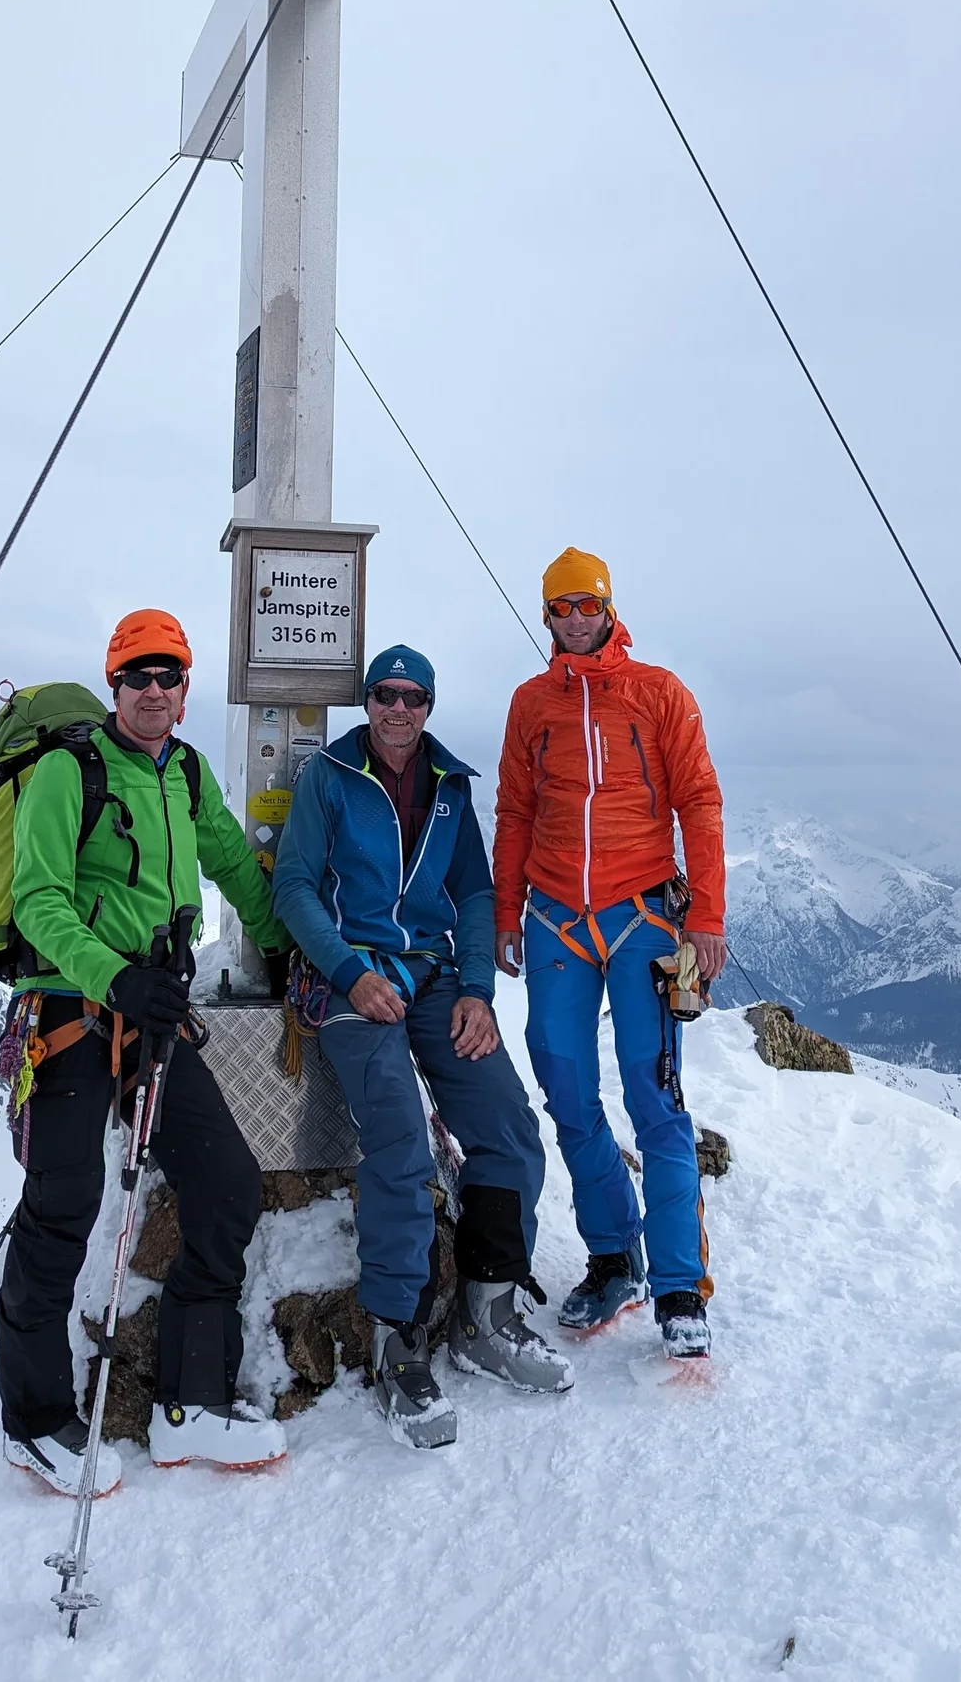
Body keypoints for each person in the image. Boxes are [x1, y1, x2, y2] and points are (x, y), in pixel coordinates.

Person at [0, 608, 291, 1491]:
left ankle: (188, 1405)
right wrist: (113, 975)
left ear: (185, 690)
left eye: (169, 676)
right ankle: (35, 1417)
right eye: (138, 675)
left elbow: (234, 865)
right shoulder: (66, 768)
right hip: (70, 1005)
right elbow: (38, 903)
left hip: (153, 1010)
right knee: (64, 1199)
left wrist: (283, 945)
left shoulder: (187, 774)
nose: (153, 690)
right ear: (114, 684)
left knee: (227, 1179)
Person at [274, 642, 570, 1449]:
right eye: (383, 695)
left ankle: (488, 1311)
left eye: (413, 697)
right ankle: (398, 1342)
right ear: (366, 702)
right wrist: (345, 969)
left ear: (429, 706)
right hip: (352, 980)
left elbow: (473, 891)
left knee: (508, 1128)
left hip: (437, 977)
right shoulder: (331, 779)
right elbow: (295, 884)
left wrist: (478, 987)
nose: (398, 709)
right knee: (402, 1145)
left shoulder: (449, 786)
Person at [494, 550, 727, 1360]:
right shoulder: (531, 704)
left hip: (642, 915)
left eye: (586, 604)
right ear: (548, 616)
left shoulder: (659, 693)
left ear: (608, 607)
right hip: (556, 912)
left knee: (652, 1095)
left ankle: (677, 1285)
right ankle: (612, 1255)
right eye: (560, 607)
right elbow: (515, 807)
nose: (574, 618)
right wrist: (503, 911)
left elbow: (699, 797)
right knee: (563, 1082)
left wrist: (708, 917)